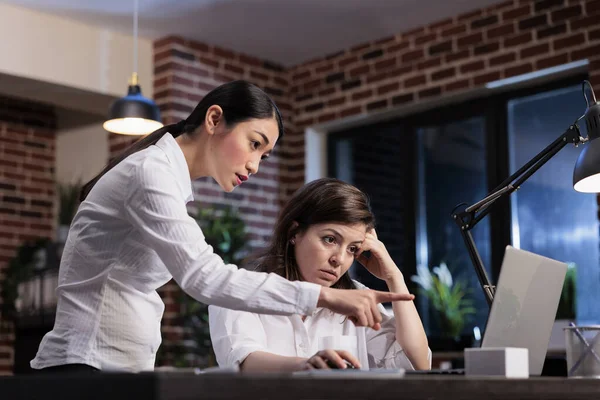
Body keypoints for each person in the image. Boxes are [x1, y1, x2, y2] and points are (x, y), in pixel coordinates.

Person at [30, 81, 414, 373]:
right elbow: (204, 278)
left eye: (264, 155)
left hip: (120, 367)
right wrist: (324, 297)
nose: (255, 166)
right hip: (85, 365)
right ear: (214, 120)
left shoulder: (168, 180)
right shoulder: (150, 173)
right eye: (254, 144)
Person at [209, 178, 431, 372]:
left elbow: (416, 365)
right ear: (294, 232)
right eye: (330, 239)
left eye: (352, 248)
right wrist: (306, 366)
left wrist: (393, 277)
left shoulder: (357, 299)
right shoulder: (241, 289)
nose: (339, 259)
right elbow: (243, 361)